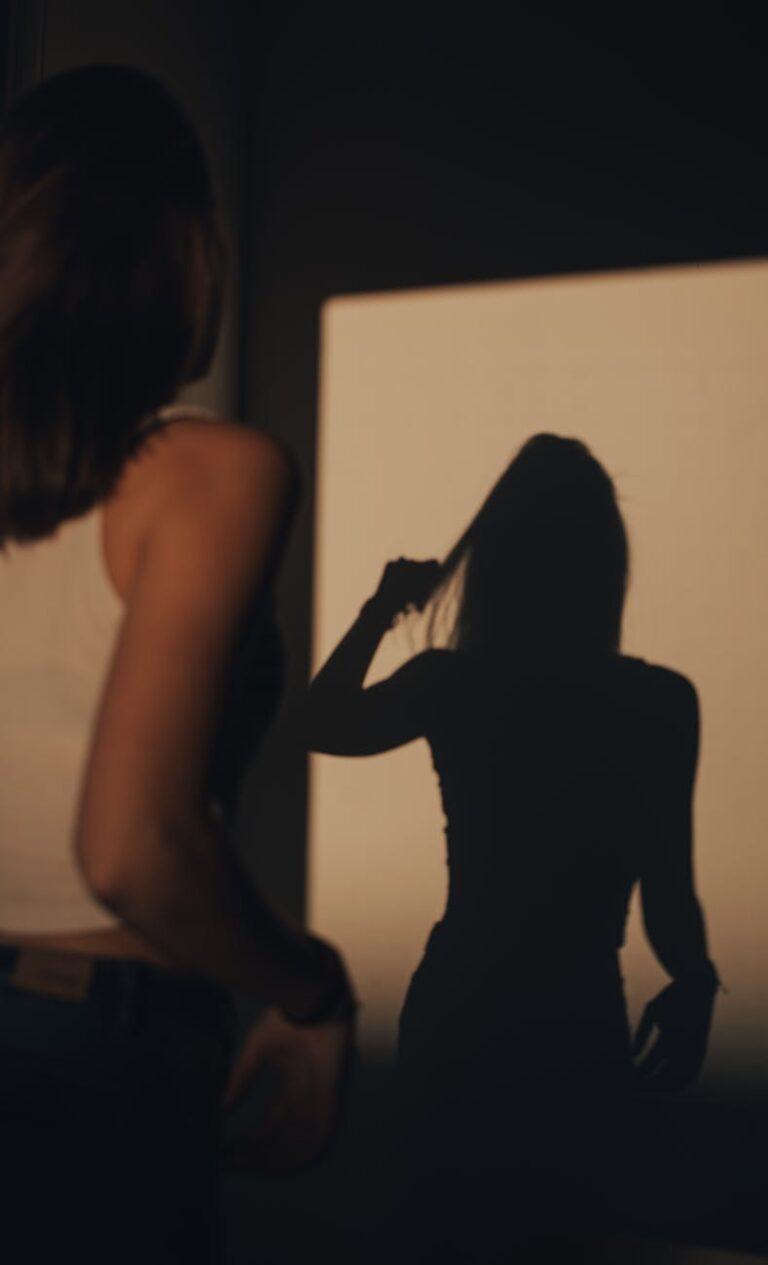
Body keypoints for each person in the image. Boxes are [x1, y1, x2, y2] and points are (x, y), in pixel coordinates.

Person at [0, 66, 355, 1264]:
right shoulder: (211, 471)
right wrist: (313, 989)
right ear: (185, 251)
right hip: (89, 1046)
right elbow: (130, 848)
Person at [306, 434, 719, 1255]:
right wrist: (694, 982)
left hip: (461, 999)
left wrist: (382, 608)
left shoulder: (451, 682)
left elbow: (322, 722)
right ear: (606, 565)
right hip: (578, 1010)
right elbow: (670, 886)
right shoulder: (659, 701)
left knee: (446, 1230)